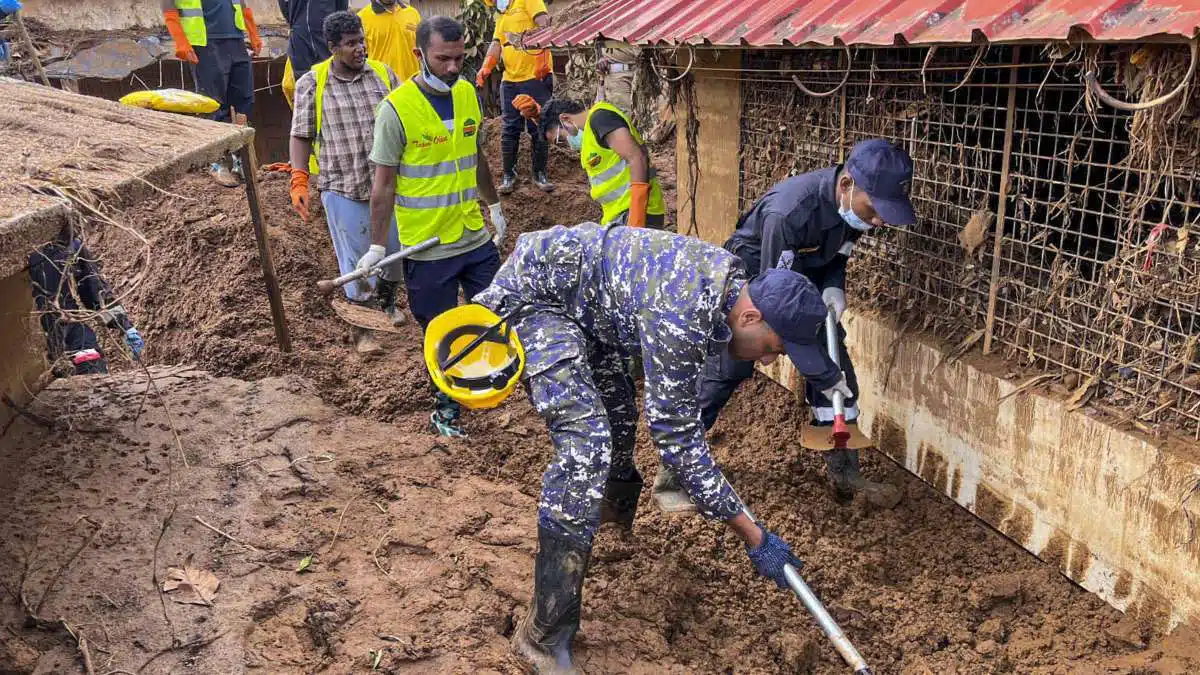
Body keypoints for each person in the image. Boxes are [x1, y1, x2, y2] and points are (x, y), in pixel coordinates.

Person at [471, 222, 845, 672]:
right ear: (750, 318)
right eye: (774, 347)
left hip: (590, 311)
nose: (768, 359)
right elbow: (677, 436)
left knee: (620, 419)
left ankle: (608, 532)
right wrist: (754, 534)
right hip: (536, 302)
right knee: (586, 445)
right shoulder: (685, 310)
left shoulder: (728, 286)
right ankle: (544, 635)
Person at [691, 138, 916, 508]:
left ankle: (846, 475)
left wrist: (832, 287)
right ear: (847, 186)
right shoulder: (790, 212)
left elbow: (837, 256)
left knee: (835, 369)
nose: (877, 221)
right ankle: (678, 466)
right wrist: (808, 356)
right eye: (875, 210)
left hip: (801, 283)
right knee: (728, 367)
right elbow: (771, 295)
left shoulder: (853, 210)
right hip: (755, 281)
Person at [365, 16, 507, 437]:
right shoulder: (395, 111)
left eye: (459, 58)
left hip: (473, 235)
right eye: (442, 58)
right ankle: (446, 407)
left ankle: (490, 384)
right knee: (440, 331)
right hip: (428, 247)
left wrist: (494, 204)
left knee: (495, 314)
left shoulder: (467, 93)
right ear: (419, 55)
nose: (451, 67)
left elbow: (475, 156)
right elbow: (383, 184)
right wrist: (376, 245)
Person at [289, 11, 402, 355]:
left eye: (362, 40)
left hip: (386, 184)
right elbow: (301, 135)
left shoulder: (383, 75)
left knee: (392, 251)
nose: (360, 49)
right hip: (341, 186)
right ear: (333, 47)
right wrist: (299, 178)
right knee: (356, 263)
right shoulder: (314, 83)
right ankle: (362, 331)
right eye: (351, 44)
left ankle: (387, 305)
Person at [160, 0, 263, 187]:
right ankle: (217, 164)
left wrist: (252, 32)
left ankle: (242, 162)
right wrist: (181, 41)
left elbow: (241, 4)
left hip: (235, 40)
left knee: (244, 101)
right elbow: (168, 6)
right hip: (205, 42)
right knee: (214, 104)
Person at [528, 97, 666, 229]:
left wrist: (636, 220)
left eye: (560, 139)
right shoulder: (590, 136)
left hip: (638, 214)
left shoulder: (600, 119)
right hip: (620, 216)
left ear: (565, 119)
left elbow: (637, 158)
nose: (568, 145)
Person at [29, 226, 145, 376]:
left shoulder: (68, 245)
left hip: (69, 329)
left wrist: (124, 326)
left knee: (91, 369)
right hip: (38, 342)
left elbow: (94, 289)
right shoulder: (28, 250)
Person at [476, 0, 553, 194]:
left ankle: (540, 174)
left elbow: (545, 23)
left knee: (539, 126)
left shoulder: (528, 1)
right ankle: (509, 176)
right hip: (510, 79)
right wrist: (486, 66)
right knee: (510, 128)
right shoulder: (502, 14)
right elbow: (497, 43)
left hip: (535, 76)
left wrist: (543, 56)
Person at [277, 0, 347, 82]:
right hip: (301, 39)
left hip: (325, 38)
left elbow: (341, 12)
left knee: (331, 79)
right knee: (304, 83)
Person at [358, 0, 422, 83]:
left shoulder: (413, 13)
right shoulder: (362, 18)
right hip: (382, 85)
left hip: (412, 84)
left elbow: (422, 49)